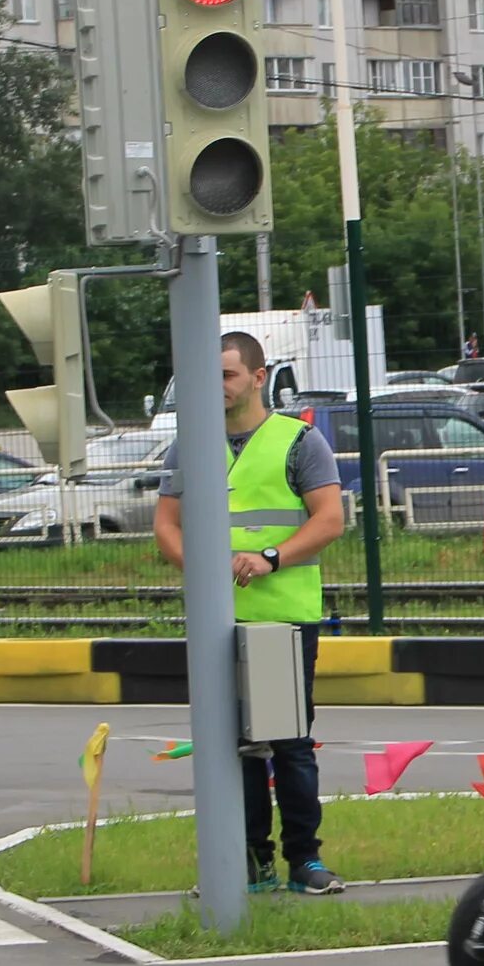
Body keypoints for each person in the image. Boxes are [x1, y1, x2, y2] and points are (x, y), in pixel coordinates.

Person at [154, 330, 349, 894]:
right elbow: (166, 525)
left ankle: (304, 861)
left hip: (280, 620)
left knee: (289, 745)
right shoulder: (189, 444)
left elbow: (329, 519)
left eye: (226, 375)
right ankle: (247, 861)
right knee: (228, 745)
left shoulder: (299, 441)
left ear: (258, 378)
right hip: (217, 622)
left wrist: (271, 558)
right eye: (208, 376)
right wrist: (203, 571)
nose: (215, 385)